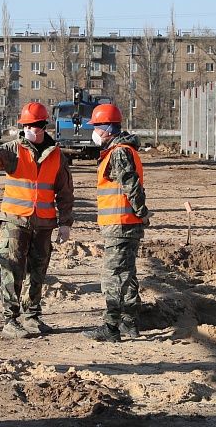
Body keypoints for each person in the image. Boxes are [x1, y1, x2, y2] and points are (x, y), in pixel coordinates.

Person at [0, 102, 74, 339]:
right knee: (11, 268)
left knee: (38, 272)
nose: (30, 130)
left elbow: (65, 191)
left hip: (44, 223)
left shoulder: (56, 155)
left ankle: (32, 316)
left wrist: (65, 222)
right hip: (15, 221)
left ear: (43, 126)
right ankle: (10, 320)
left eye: (34, 126)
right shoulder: (13, 150)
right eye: (26, 126)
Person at [82, 103, 150, 343]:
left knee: (113, 276)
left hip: (121, 225)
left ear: (108, 128)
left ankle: (111, 327)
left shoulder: (119, 152)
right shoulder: (119, 150)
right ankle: (129, 322)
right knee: (127, 273)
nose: (94, 132)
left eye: (96, 127)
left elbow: (131, 185)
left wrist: (141, 212)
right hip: (123, 224)